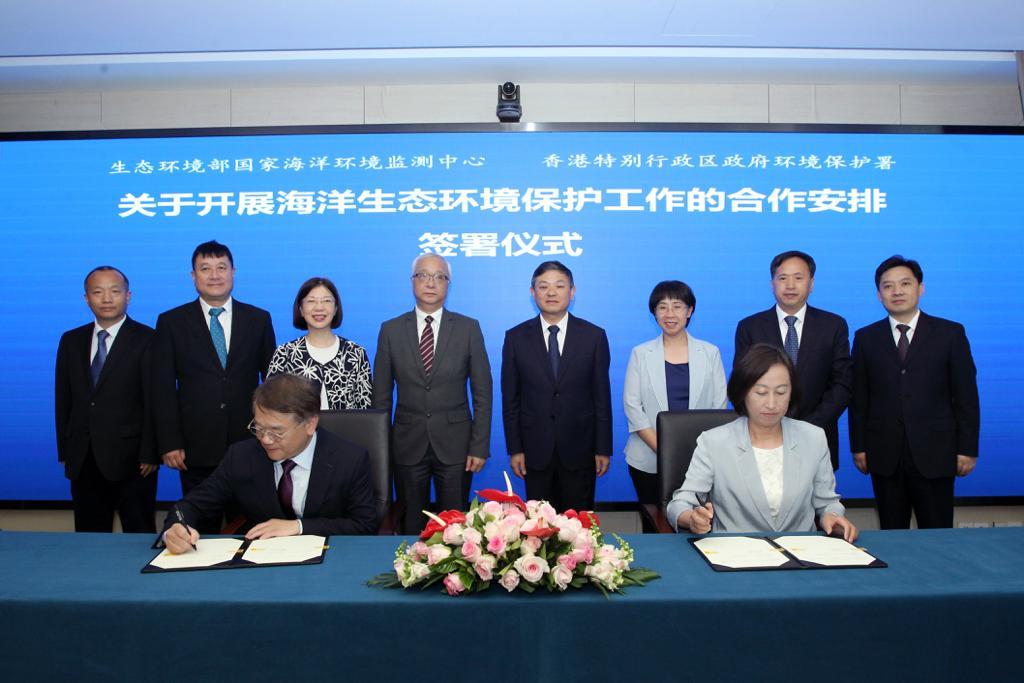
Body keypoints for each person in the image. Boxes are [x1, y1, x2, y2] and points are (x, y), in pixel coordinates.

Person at [162, 373, 377, 552]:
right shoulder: (241, 456)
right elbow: (190, 505)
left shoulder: (349, 459)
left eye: (276, 432)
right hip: (264, 563)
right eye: (259, 428)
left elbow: (364, 524)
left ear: (310, 424)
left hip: (329, 560)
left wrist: (299, 527)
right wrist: (176, 527)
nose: (265, 439)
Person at [667, 343, 857, 541]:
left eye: (781, 392)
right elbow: (680, 503)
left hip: (799, 556)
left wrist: (832, 517)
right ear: (742, 392)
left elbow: (827, 502)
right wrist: (692, 520)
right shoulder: (714, 442)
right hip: (735, 558)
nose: (772, 404)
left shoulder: (813, 437)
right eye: (761, 392)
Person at [152, 240, 276, 533]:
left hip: (251, 444)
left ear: (233, 272)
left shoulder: (258, 318)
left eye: (222, 267)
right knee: (201, 528)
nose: (215, 275)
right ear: (193, 276)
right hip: (196, 447)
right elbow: (163, 388)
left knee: (250, 528)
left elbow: (271, 385)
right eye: (205, 268)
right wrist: (170, 442)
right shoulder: (171, 322)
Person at [849, 255, 979, 529]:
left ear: (921, 288)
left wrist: (967, 448)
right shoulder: (865, 338)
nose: (897, 292)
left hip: (937, 452)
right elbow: (859, 397)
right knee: (891, 531)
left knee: (938, 532)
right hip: (884, 454)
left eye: (905, 284)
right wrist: (858, 445)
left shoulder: (950, 333)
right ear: (878, 294)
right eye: (888, 286)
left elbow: (966, 395)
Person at [372, 254, 492, 534]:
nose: (431, 283)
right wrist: (383, 447)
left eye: (440, 277)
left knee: (455, 526)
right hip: (407, 443)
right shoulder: (390, 330)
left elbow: (482, 392)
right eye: (423, 275)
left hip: (456, 445)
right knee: (412, 521)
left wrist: (478, 446)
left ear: (448, 284)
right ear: (412, 282)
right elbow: (381, 396)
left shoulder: (468, 328)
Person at [54, 266, 159, 532]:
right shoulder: (71, 340)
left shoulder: (149, 339)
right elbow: (63, 399)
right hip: (84, 457)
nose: (107, 298)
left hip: (133, 460)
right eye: (97, 292)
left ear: (128, 296)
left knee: (138, 535)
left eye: (115, 291)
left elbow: (155, 400)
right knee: (88, 535)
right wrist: (66, 450)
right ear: (86, 298)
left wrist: (151, 451)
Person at [501, 260, 612, 511]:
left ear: (572, 292)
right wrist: (515, 449)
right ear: (533, 293)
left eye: (559, 286)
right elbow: (511, 400)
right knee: (539, 532)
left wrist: (603, 448)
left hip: (581, 450)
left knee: (579, 529)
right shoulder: (516, 337)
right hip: (534, 451)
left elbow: (601, 398)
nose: (551, 292)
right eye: (543, 286)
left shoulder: (593, 336)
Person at [734, 250, 852, 470]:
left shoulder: (833, 326)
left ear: (811, 283)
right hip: (762, 437)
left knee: (817, 503)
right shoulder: (750, 327)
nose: (790, 285)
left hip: (818, 435)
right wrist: (769, 424)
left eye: (798, 278)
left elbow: (842, 384)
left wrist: (808, 426)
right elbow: (742, 384)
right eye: (782, 278)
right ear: (772, 283)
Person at [623, 280, 727, 511]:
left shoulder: (710, 353)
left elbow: (718, 407)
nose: (670, 314)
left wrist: (692, 451)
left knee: (696, 521)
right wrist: (666, 449)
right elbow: (633, 407)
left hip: (700, 458)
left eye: (677, 306)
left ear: (690, 311)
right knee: (653, 520)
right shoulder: (641, 353)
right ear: (654, 313)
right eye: (662, 307)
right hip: (648, 458)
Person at [267, 276, 372, 409]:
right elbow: (271, 404)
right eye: (311, 301)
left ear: (335, 309)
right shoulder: (285, 353)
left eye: (326, 301)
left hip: (345, 430)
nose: (319, 308)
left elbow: (366, 409)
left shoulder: (355, 353)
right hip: (297, 430)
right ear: (301, 309)